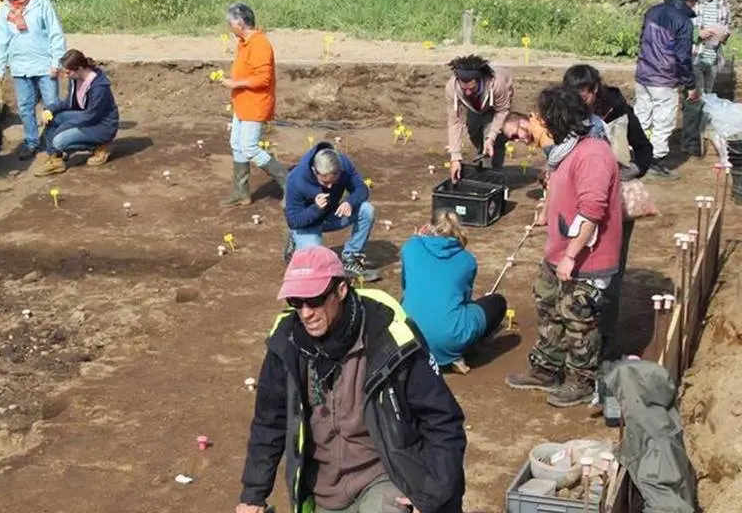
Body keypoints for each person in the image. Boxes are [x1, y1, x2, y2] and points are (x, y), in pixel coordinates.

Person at [236, 245, 467, 513]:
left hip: (384, 476)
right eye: (296, 302)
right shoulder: (286, 345)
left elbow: (442, 421)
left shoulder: (390, 339)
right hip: (324, 491)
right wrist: (253, 495)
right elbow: (268, 422)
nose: (306, 313)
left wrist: (430, 493)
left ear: (341, 290)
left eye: (315, 300)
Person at [506, 86, 623, 408]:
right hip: (559, 251)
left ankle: (581, 380)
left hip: (587, 258)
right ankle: (546, 368)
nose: (531, 121)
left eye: (536, 116)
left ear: (551, 120)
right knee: (548, 306)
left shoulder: (593, 155)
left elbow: (591, 211)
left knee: (578, 319)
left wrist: (571, 256)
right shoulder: (562, 153)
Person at [563, 64, 654, 361]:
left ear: (595, 90)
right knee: (574, 265)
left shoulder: (619, 111)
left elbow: (644, 149)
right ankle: (574, 334)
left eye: (583, 94)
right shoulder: (566, 113)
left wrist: (629, 173)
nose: (579, 100)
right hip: (577, 201)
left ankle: (605, 339)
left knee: (610, 272)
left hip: (614, 207)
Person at [400, 209, 508, 374]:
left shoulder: (411, 246)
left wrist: (416, 239)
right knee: (497, 302)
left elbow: (405, 285)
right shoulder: (467, 260)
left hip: (410, 336)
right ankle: (457, 353)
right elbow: (464, 298)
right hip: (449, 336)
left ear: (429, 226)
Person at [633, 0, 703, 180]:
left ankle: (636, 157)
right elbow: (683, 57)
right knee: (663, 122)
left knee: (641, 117)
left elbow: (641, 40)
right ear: (689, 0)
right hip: (664, 79)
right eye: (695, 1)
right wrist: (690, 85)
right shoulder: (683, 22)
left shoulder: (652, 11)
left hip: (643, 74)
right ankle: (654, 162)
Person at [220, 3, 289, 207]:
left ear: (240, 23)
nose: (229, 27)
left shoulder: (260, 44)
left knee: (249, 147)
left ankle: (289, 184)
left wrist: (235, 83)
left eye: (230, 23)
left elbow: (264, 79)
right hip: (242, 102)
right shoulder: (244, 42)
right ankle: (241, 193)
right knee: (236, 144)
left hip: (255, 104)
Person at [0, 0, 67, 161]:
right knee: (25, 107)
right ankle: (31, 142)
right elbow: (1, 40)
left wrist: (56, 62)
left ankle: (55, 143)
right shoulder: (5, 8)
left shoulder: (40, 2)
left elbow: (55, 33)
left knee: (51, 106)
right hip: (20, 66)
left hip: (44, 64)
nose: (11, 0)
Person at [283, 143, 375, 279]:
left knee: (367, 210)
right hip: (306, 225)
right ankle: (296, 239)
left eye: (334, 182)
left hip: (331, 215)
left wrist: (350, 202)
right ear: (315, 171)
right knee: (317, 270)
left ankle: (351, 258)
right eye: (325, 183)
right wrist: (316, 208)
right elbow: (293, 221)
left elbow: (362, 189)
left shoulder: (343, 164)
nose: (330, 187)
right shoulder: (296, 180)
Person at [33, 50, 120, 176]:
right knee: (52, 119)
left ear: (79, 68)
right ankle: (56, 160)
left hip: (102, 126)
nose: (66, 75)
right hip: (86, 118)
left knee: (58, 140)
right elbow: (69, 103)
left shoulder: (99, 88)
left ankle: (101, 146)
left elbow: (91, 116)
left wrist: (63, 128)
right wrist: (49, 109)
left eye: (68, 72)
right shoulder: (75, 79)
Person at [682, 0, 733, 158]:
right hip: (694, 56)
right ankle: (689, 142)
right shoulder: (691, 1)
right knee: (693, 99)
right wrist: (698, 34)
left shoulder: (723, 3)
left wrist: (724, 35)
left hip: (713, 57)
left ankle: (700, 138)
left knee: (707, 99)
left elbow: (727, 27)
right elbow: (681, 29)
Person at [444, 55, 514, 182]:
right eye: (464, 89)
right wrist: (455, 157)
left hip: (497, 107)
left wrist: (491, 137)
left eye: (472, 88)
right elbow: (455, 122)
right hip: (474, 106)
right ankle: (482, 153)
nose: (468, 92)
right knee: (473, 130)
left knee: (493, 138)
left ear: (479, 80)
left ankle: (493, 177)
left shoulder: (497, 83)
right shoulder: (451, 88)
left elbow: (502, 111)